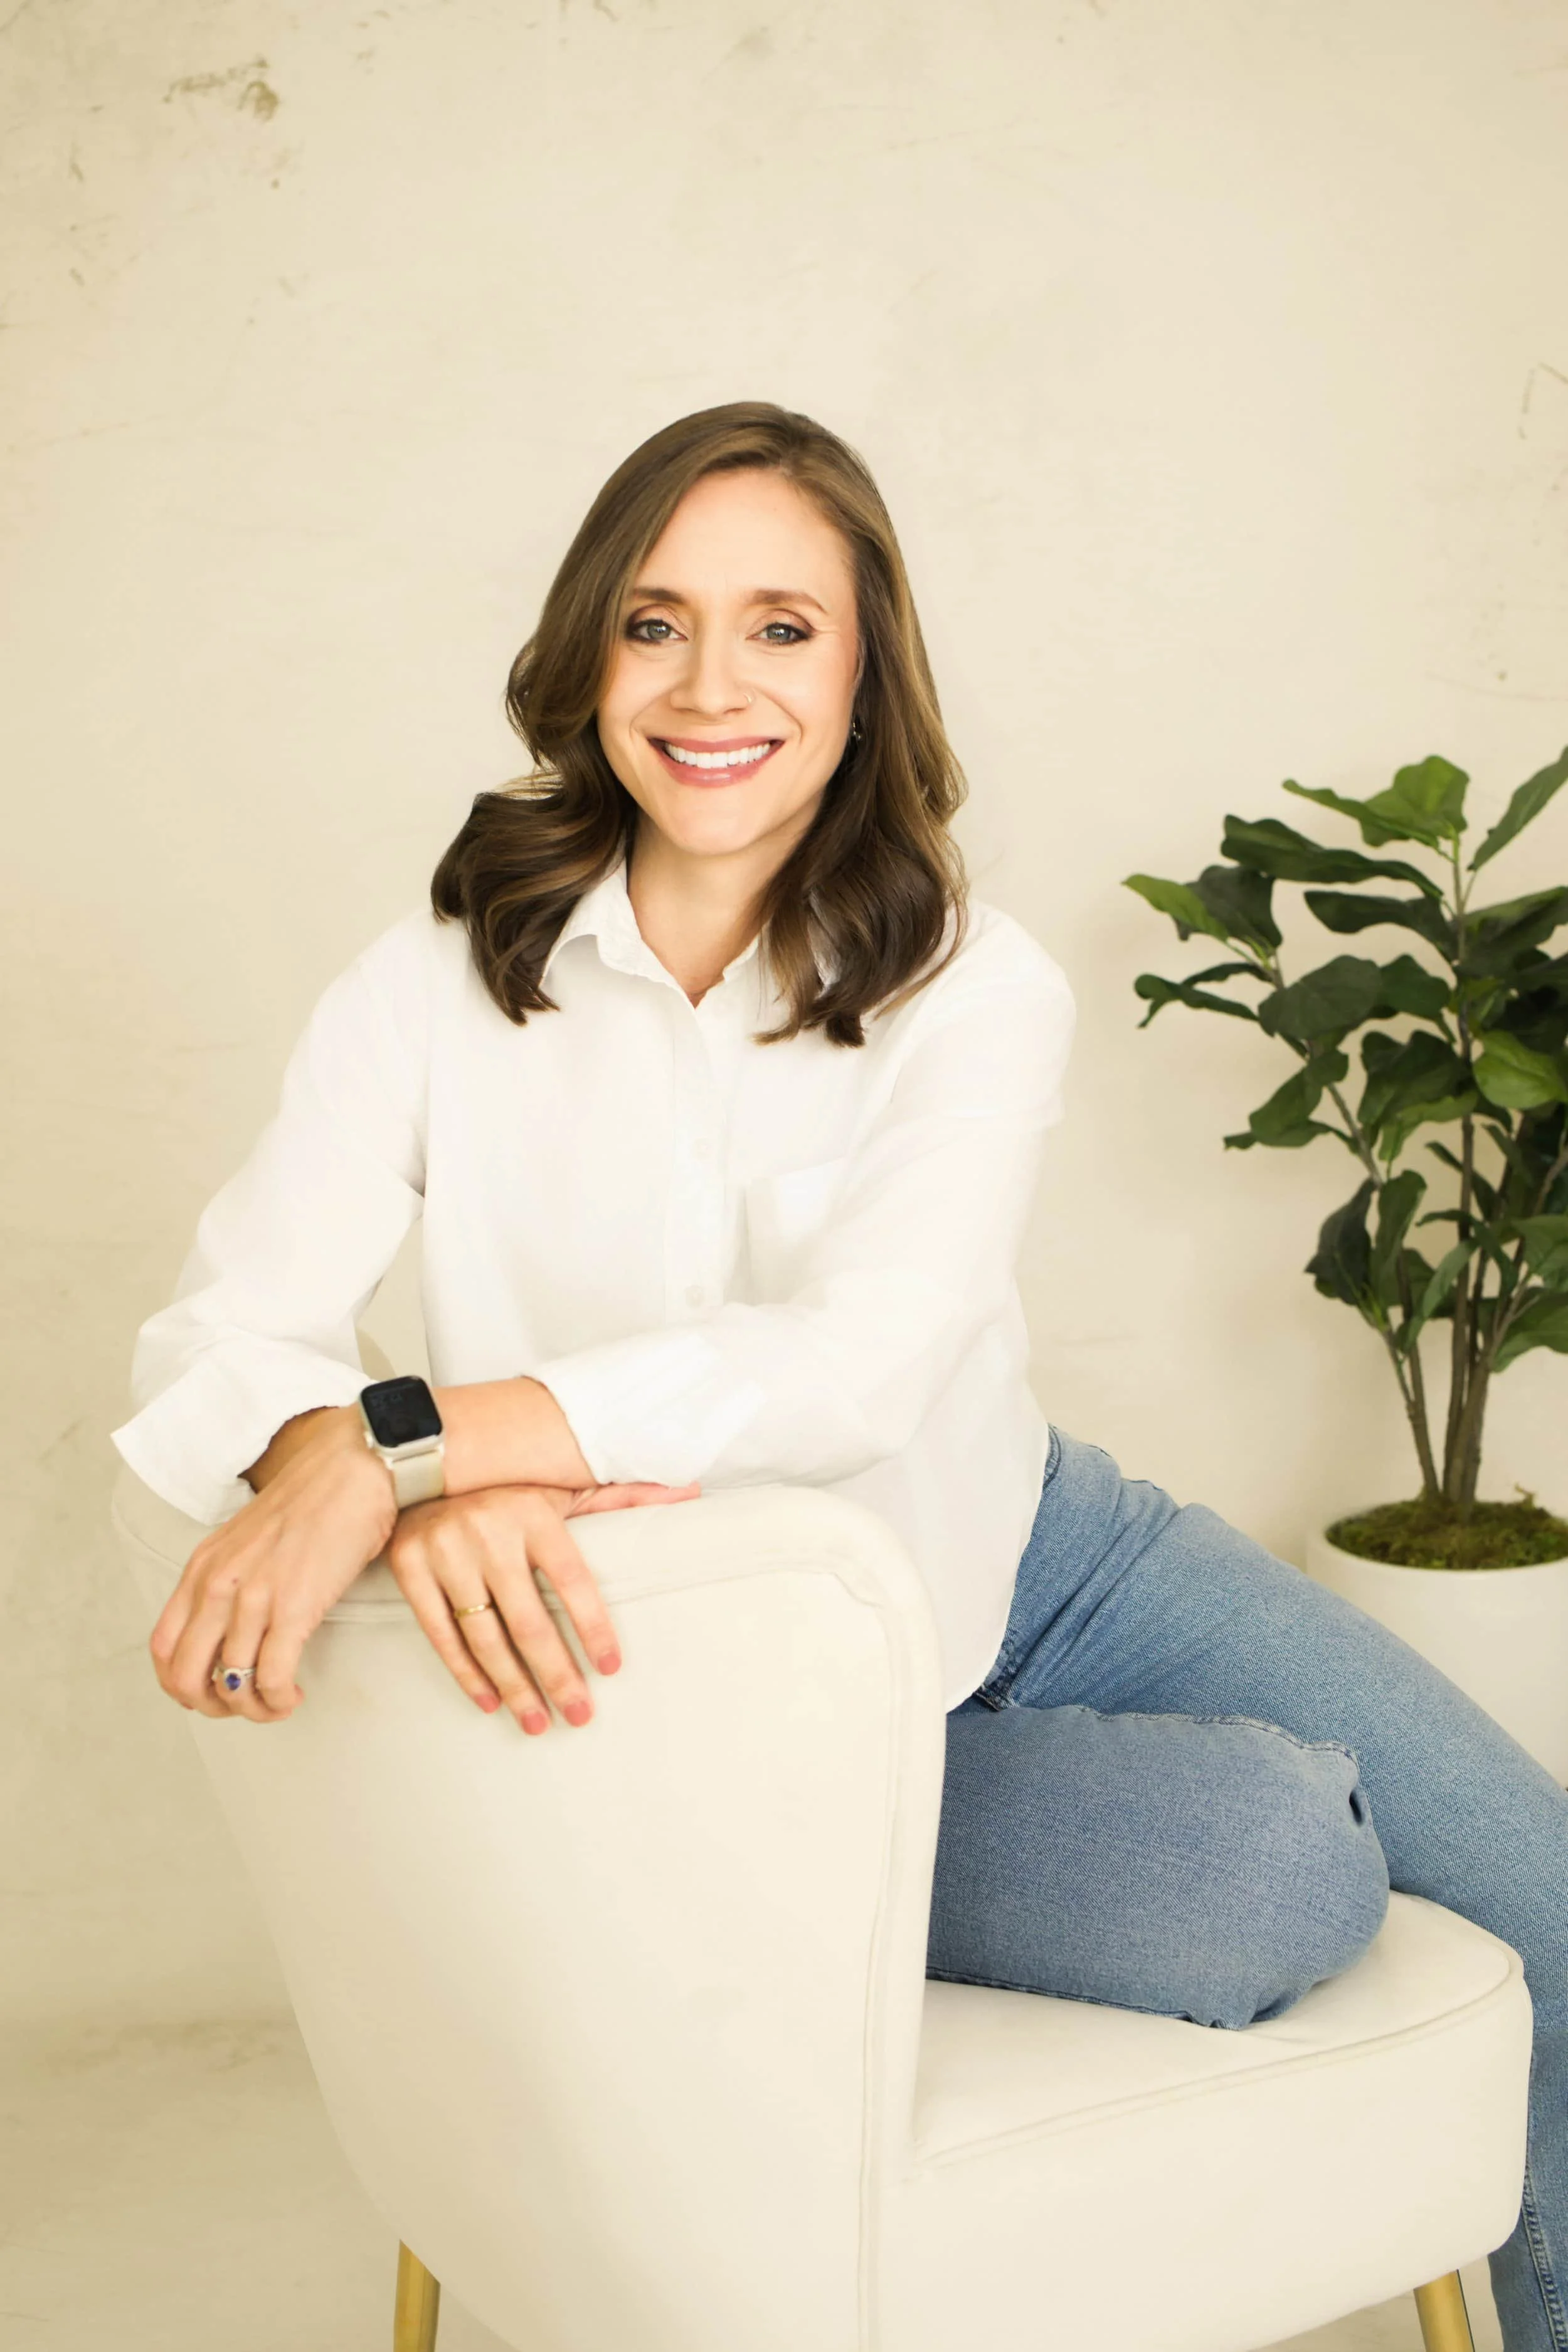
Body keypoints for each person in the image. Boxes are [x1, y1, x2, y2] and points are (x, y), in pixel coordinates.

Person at [114, 401, 1567, 2349]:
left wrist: (418, 1437)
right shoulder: (434, 976)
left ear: (867, 667)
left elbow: (862, 1366)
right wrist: (330, 1444)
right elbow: (217, 1333)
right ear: (587, 658)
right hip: (749, 1708)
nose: (713, 685)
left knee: (1543, 1888)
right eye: (656, 623)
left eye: (782, 626)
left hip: (1047, 1554)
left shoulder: (975, 980)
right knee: (1269, 1860)